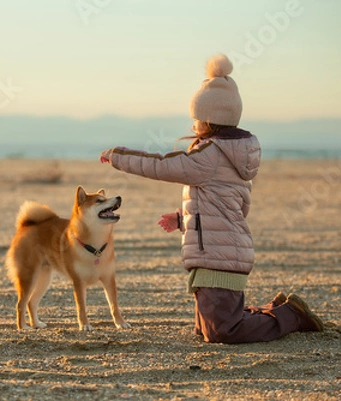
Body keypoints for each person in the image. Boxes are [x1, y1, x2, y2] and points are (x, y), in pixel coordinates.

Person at [99, 54, 323, 343]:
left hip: (219, 258)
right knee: (207, 330)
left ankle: (291, 315)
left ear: (208, 120)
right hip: (221, 252)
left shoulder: (209, 155)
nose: (192, 126)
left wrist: (118, 156)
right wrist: (184, 220)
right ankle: (276, 309)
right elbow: (230, 206)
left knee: (223, 332)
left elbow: (162, 165)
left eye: (196, 119)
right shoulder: (233, 156)